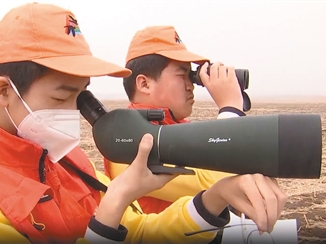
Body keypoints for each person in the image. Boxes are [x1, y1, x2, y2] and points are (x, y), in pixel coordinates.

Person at [0, 3, 287, 244]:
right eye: (61, 97)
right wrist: (114, 201)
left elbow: (139, 232)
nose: (74, 112)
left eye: (82, 97)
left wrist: (213, 200)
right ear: (3, 92)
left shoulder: (70, 163)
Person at [104, 25, 248, 215]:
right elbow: (215, 183)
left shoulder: (176, 130)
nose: (191, 86)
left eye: (192, 76)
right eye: (182, 76)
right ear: (144, 84)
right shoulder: (125, 141)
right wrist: (230, 109)